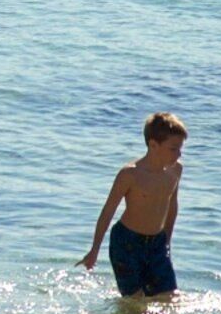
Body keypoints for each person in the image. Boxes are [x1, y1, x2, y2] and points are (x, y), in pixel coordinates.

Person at [80, 112, 190, 298]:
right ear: (153, 145)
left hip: (157, 243)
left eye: (180, 149)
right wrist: (94, 249)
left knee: (170, 299)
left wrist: (167, 242)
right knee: (136, 304)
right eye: (173, 149)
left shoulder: (176, 171)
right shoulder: (130, 174)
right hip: (126, 243)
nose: (178, 154)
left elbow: (171, 206)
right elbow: (108, 211)